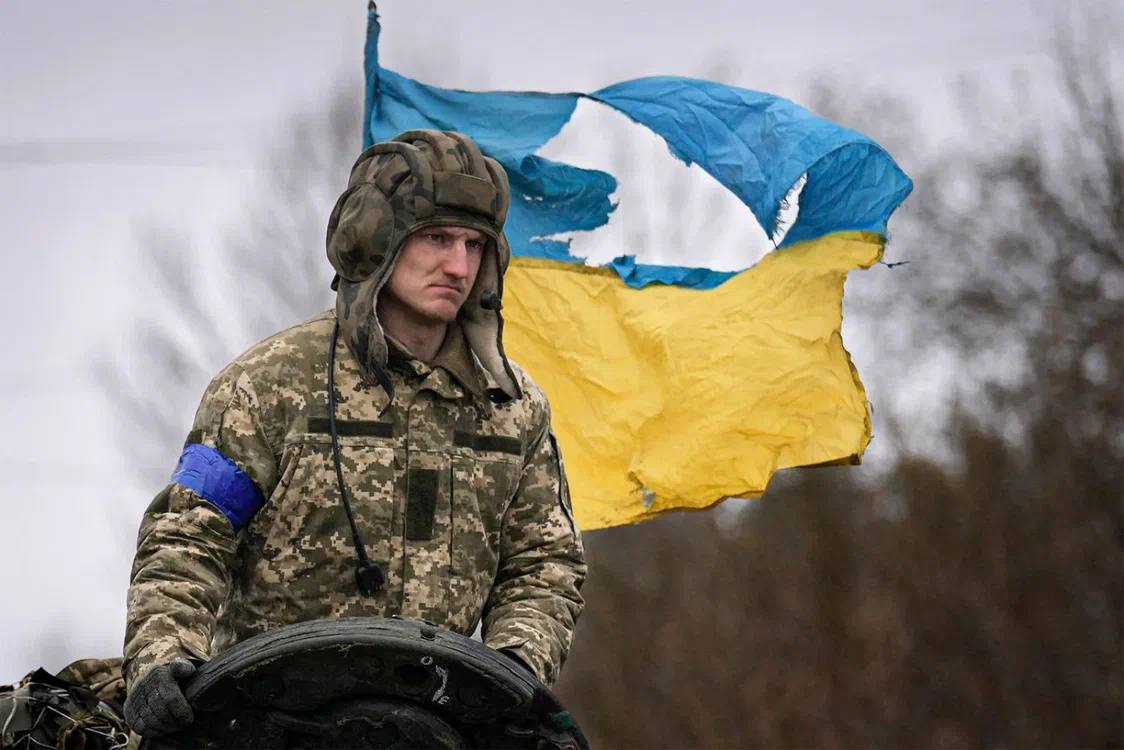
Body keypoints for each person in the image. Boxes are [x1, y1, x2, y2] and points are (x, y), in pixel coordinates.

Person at [121, 129, 586, 737]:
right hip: (274, 724)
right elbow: (188, 537)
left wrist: (510, 672)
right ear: (372, 241)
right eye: (436, 238)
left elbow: (544, 564)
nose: (458, 266)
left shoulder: (513, 409)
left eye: (475, 245)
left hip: (434, 728)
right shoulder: (269, 385)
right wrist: (163, 654)